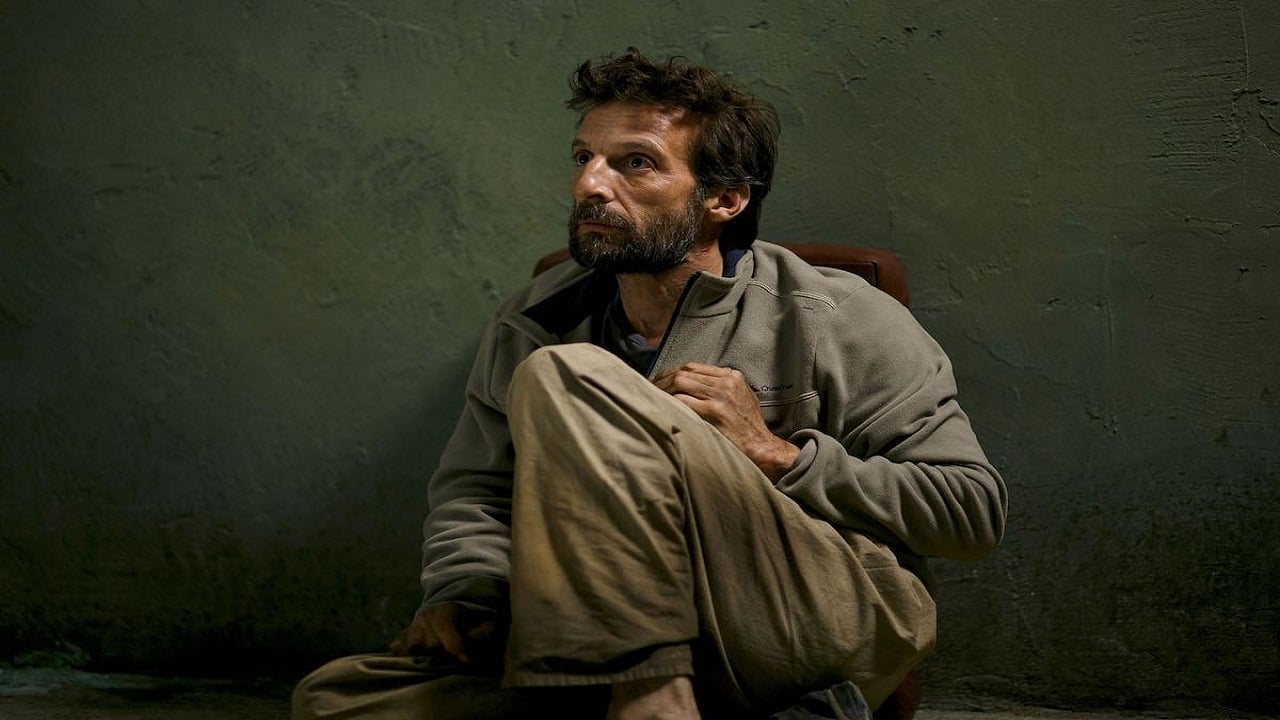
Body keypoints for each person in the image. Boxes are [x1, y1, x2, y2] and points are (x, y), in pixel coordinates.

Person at [292, 48, 1007, 720]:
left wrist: (778, 455)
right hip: (588, 624)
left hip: (806, 617)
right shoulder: (534, 318)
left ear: (724, 199)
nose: (589, 185)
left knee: (568, 375)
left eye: (635, 163)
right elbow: (479, 491)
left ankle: (652, 695)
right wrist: (468, 596)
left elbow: (970, 512)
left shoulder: (837, 315)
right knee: (336, 701)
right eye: (584, 157)